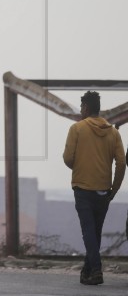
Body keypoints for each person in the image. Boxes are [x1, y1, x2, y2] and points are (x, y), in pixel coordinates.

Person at [63, 90, 125, 285]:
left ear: (86, 108)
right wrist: (114, 189)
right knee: (94, 232)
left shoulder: (77, 129)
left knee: (88, 231)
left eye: (82, 107)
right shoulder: (113, 132)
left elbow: (68, 158)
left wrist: (80, 164)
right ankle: (87, 270)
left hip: (83, 188)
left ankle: (96, 270)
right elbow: (121, 163)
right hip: (103, 190)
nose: (81, 110)